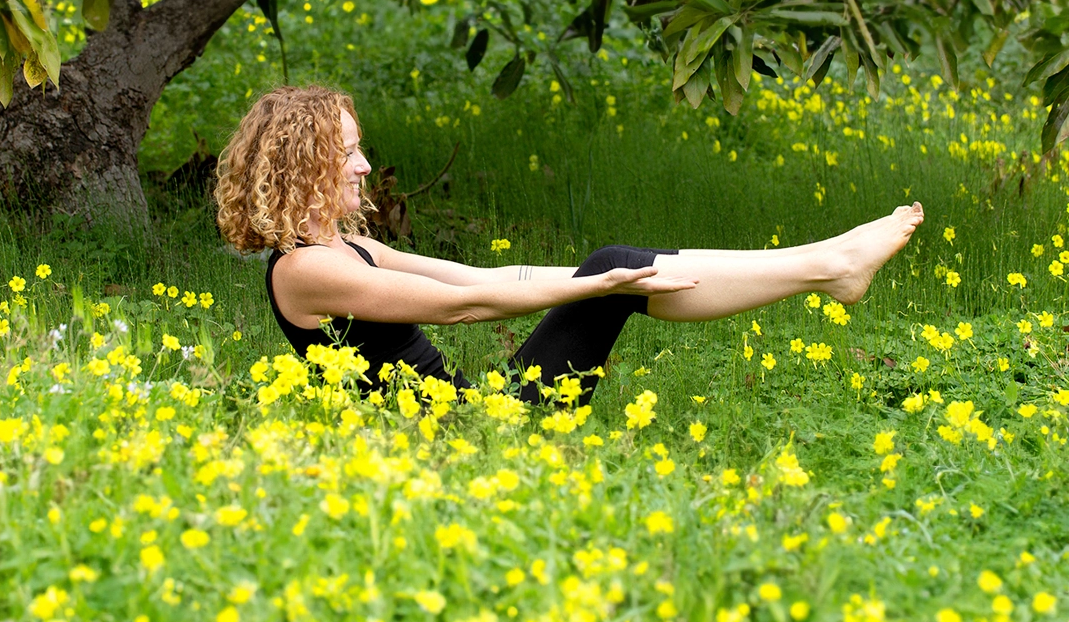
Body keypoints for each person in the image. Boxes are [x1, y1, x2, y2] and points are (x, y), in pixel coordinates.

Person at [215, 85, 924, 403]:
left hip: (471, 409)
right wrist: (601, 288)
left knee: (616, 262)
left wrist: (604, 277)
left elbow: (482, 273)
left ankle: (828, 266)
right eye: (348, 154)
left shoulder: (345, 247)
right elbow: (462, 308)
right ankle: (830, 266)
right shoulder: (305, 271)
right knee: (615, 269)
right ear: (304, 166)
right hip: (468, 433)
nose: (365, 167)